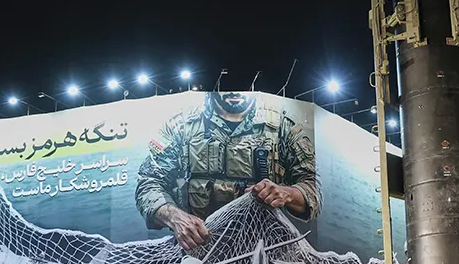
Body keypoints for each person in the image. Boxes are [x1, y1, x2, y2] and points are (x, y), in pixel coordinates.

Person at [135, 91, 321, 249]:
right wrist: (174, 217)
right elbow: (149, 182)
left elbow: (313, 188)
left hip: (265, 248)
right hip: (197, 248)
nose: (235, 93)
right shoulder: (181, 126)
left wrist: (286, 193)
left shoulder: (282, 126)